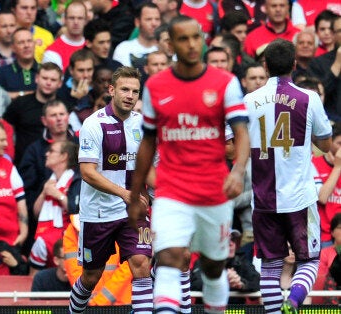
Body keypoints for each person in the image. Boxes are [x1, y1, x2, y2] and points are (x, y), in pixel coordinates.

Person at [128, 16, 250, 313]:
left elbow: (243, 134)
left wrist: (237, 170)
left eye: (196, 37)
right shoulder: (156, 86)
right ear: (170, 44)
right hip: (172, 191)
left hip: (214, 190)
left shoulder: (225, 83)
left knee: (211, 268)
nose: (192, 44)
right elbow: (147, 143)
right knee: (170, 259)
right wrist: (134, 194)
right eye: (183, 39)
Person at [244, 38, 332, 314]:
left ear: (265, 65)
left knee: (270, 265)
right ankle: (293, 301)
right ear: (294, 65)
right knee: (308, 261)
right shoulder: (309, 98)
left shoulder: (248, 100)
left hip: (263, 198)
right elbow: (327, 144)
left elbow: (230, 145)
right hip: (299, 197)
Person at [68, 66, 153, 314]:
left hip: (133, 211)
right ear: (111, 90)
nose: (130, 95)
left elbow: (147, 168)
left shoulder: (143, 125)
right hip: (98, 213)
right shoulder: (94, 124)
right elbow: (87, 173)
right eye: (125, 89)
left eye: (135, 91)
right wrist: (124, 193)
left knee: (141, 264)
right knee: (91, 276)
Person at [29, 140, 78, 273]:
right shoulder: (51, 181)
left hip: (69, 239)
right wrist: (44, 192)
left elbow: (77, 210)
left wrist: (58, 195)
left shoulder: (76, 180)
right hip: (45, 237)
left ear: (64, 156)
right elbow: (36, 213)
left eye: (51, 151)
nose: (46, 154)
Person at [3, 62, 63, 164]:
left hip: (57, 162)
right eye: (45, 78)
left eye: (53, 80)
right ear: (36, 78)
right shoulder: (20, 104)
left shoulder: (64, 106)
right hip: (24, 163)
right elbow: (6, 129)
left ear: (60, 83)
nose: (48, 83)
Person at [190, 229, 260, 304]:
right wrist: (223, 279)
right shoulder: (204, 261)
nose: (231, 243)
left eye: (233, 239)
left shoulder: (241, 260)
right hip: (208, 310)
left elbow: (258, 282)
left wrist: (241, 284)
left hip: (235, 311)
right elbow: (195, 285)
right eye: (226, 240)